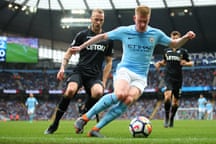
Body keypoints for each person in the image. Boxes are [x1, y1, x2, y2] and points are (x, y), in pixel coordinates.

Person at [72, 5, 196, 137]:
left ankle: (95, 130)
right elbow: (102, 36)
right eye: (140, 21)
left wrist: (186, 37)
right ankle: (84, 118)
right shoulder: (125, 31)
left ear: (149, 19)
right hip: (125, 70)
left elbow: (174, 44)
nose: (142, 24)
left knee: (128, 99)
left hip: (140, 77)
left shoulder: (156, 34)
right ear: (134, 18)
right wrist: (81, 47)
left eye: (145, 21)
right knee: (120, 94)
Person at [44, 8, 114, 134]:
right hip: (80, 72)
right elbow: (69, 51)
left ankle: (83, 112)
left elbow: (109, 61)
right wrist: (62, 67)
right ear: (91, 19)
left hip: (95, 75)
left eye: (101, 20)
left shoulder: (107, 39)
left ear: (103, 20)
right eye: (96, 19)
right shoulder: (82, 35)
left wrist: (103, 80)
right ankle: (55, 124)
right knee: (70, 90)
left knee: (98, 92)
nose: (98, 22)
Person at [154, 31, 194, 128]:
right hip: (168, 76)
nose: (175, 39)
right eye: (173, 38)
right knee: (167, 96)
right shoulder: (166, 51)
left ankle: (172, 118)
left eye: (176, 38)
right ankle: (167, 117)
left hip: (178, 78)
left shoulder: (183, 51)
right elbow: (164, 61)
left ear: (180, 38)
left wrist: (186, 64)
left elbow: (191, 63)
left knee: (175, 102)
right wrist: (159, 63)